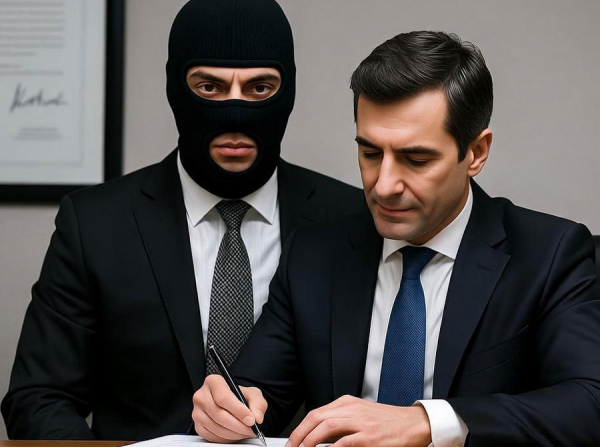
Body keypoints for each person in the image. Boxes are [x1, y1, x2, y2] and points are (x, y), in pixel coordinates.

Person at [191, 31, 600, 446]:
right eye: (370, 154)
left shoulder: (548, 254)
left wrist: (427, 422)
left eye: (416, 159)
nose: (384, 186)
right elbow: (258, 393)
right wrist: (228, 409)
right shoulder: (313, 256)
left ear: (476, 152)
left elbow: (590, 402)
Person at [1, 0, 365, 441]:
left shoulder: (350, 218)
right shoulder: (97, 225)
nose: (235, 114)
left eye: (259, 88)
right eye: (209, 87)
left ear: (287, 92)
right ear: (176, 88)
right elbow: (39, 397)